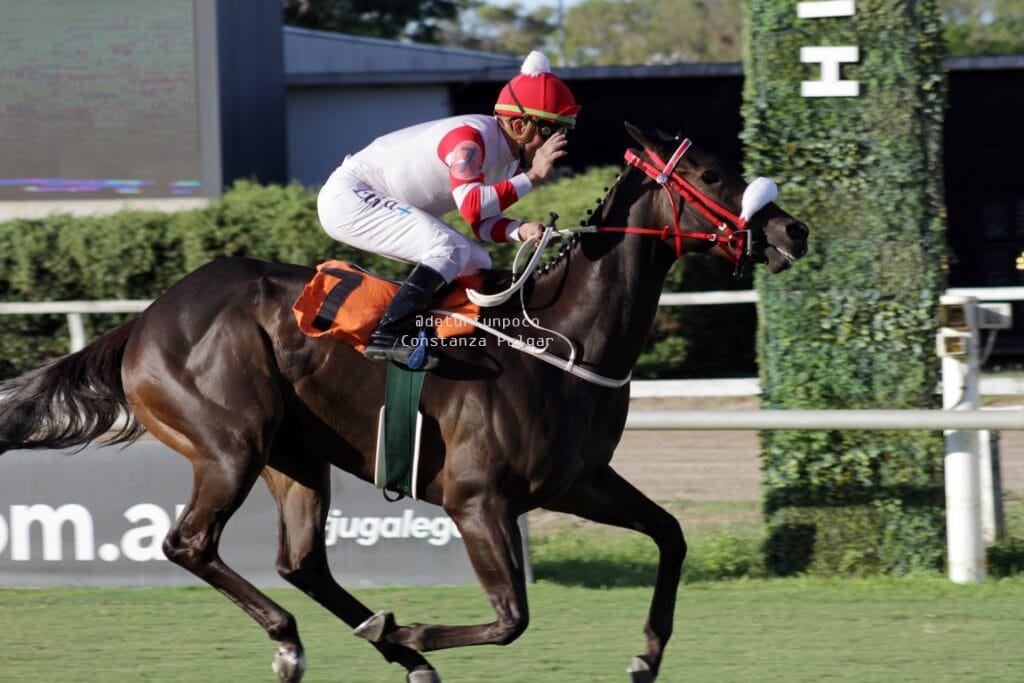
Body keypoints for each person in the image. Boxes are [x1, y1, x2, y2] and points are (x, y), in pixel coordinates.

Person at [316, 50, 580, 369]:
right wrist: (533, 177)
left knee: (476, 261)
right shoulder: (470, 139)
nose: (553, 144)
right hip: (350, 197)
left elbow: (482, 225)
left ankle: (444, 336)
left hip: (368, 199)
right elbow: (470, 208)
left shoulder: (508, 159)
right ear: (521, 125)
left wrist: (520, 230)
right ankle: (388, 334)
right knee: (448, 247)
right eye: (550, 131)